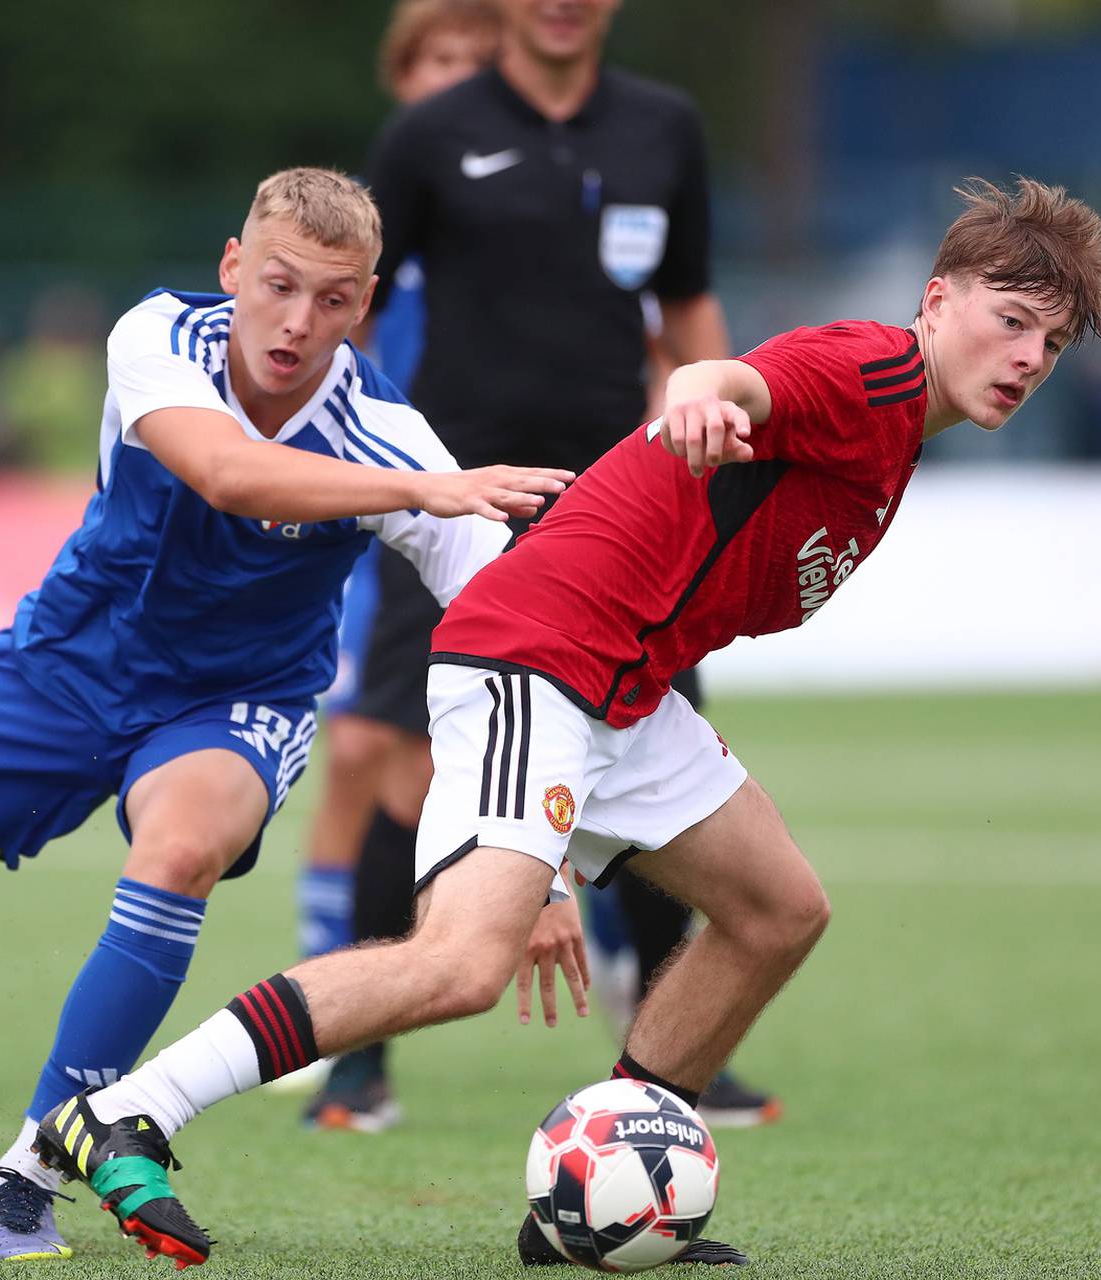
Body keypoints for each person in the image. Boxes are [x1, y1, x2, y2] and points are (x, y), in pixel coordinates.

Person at [35, 176, 1101, 1271]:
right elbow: (735, 375)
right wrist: (702, 394)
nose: (1029, 356)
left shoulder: (900, 441)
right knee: (464, 963)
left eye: (1053, 340)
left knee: (778, 908)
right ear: (937, 300)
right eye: (1011, 318)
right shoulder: (873, 369)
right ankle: (130, 1109)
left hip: (622, 684)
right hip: (539, 652)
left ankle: (603, 1195)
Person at [0, 167, 575, 1263]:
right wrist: (419, 490)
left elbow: (513, 640)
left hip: (235, 703)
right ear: (234, 267)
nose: (297, 322)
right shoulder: (161, 337)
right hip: (58, 666)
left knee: (182, 844)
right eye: (278, 284)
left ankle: (34, 1164)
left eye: (333, 300)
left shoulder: (393, 436)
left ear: (365, 304)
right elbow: (226, 472)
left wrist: (543, 868)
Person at [304, 0, 778, 1134]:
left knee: (664, 755)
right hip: (456, 500)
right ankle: (358, 1064)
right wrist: (362, 459)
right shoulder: (431, 131)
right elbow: (353, 310)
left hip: (631, 504)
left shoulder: (665, 127)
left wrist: (722, 403)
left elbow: (688, 307)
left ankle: (668, 1052)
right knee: (408, 759)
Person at [288, 0, 502, 1117]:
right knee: (366, 747)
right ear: (404, 77)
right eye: (439, 62)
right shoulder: (371, 250)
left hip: (465, 508)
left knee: (410, 753)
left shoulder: (505, 221)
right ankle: (334, 997)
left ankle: (630, 985)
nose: (458, 79)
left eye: (477, 61)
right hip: (385, 512)